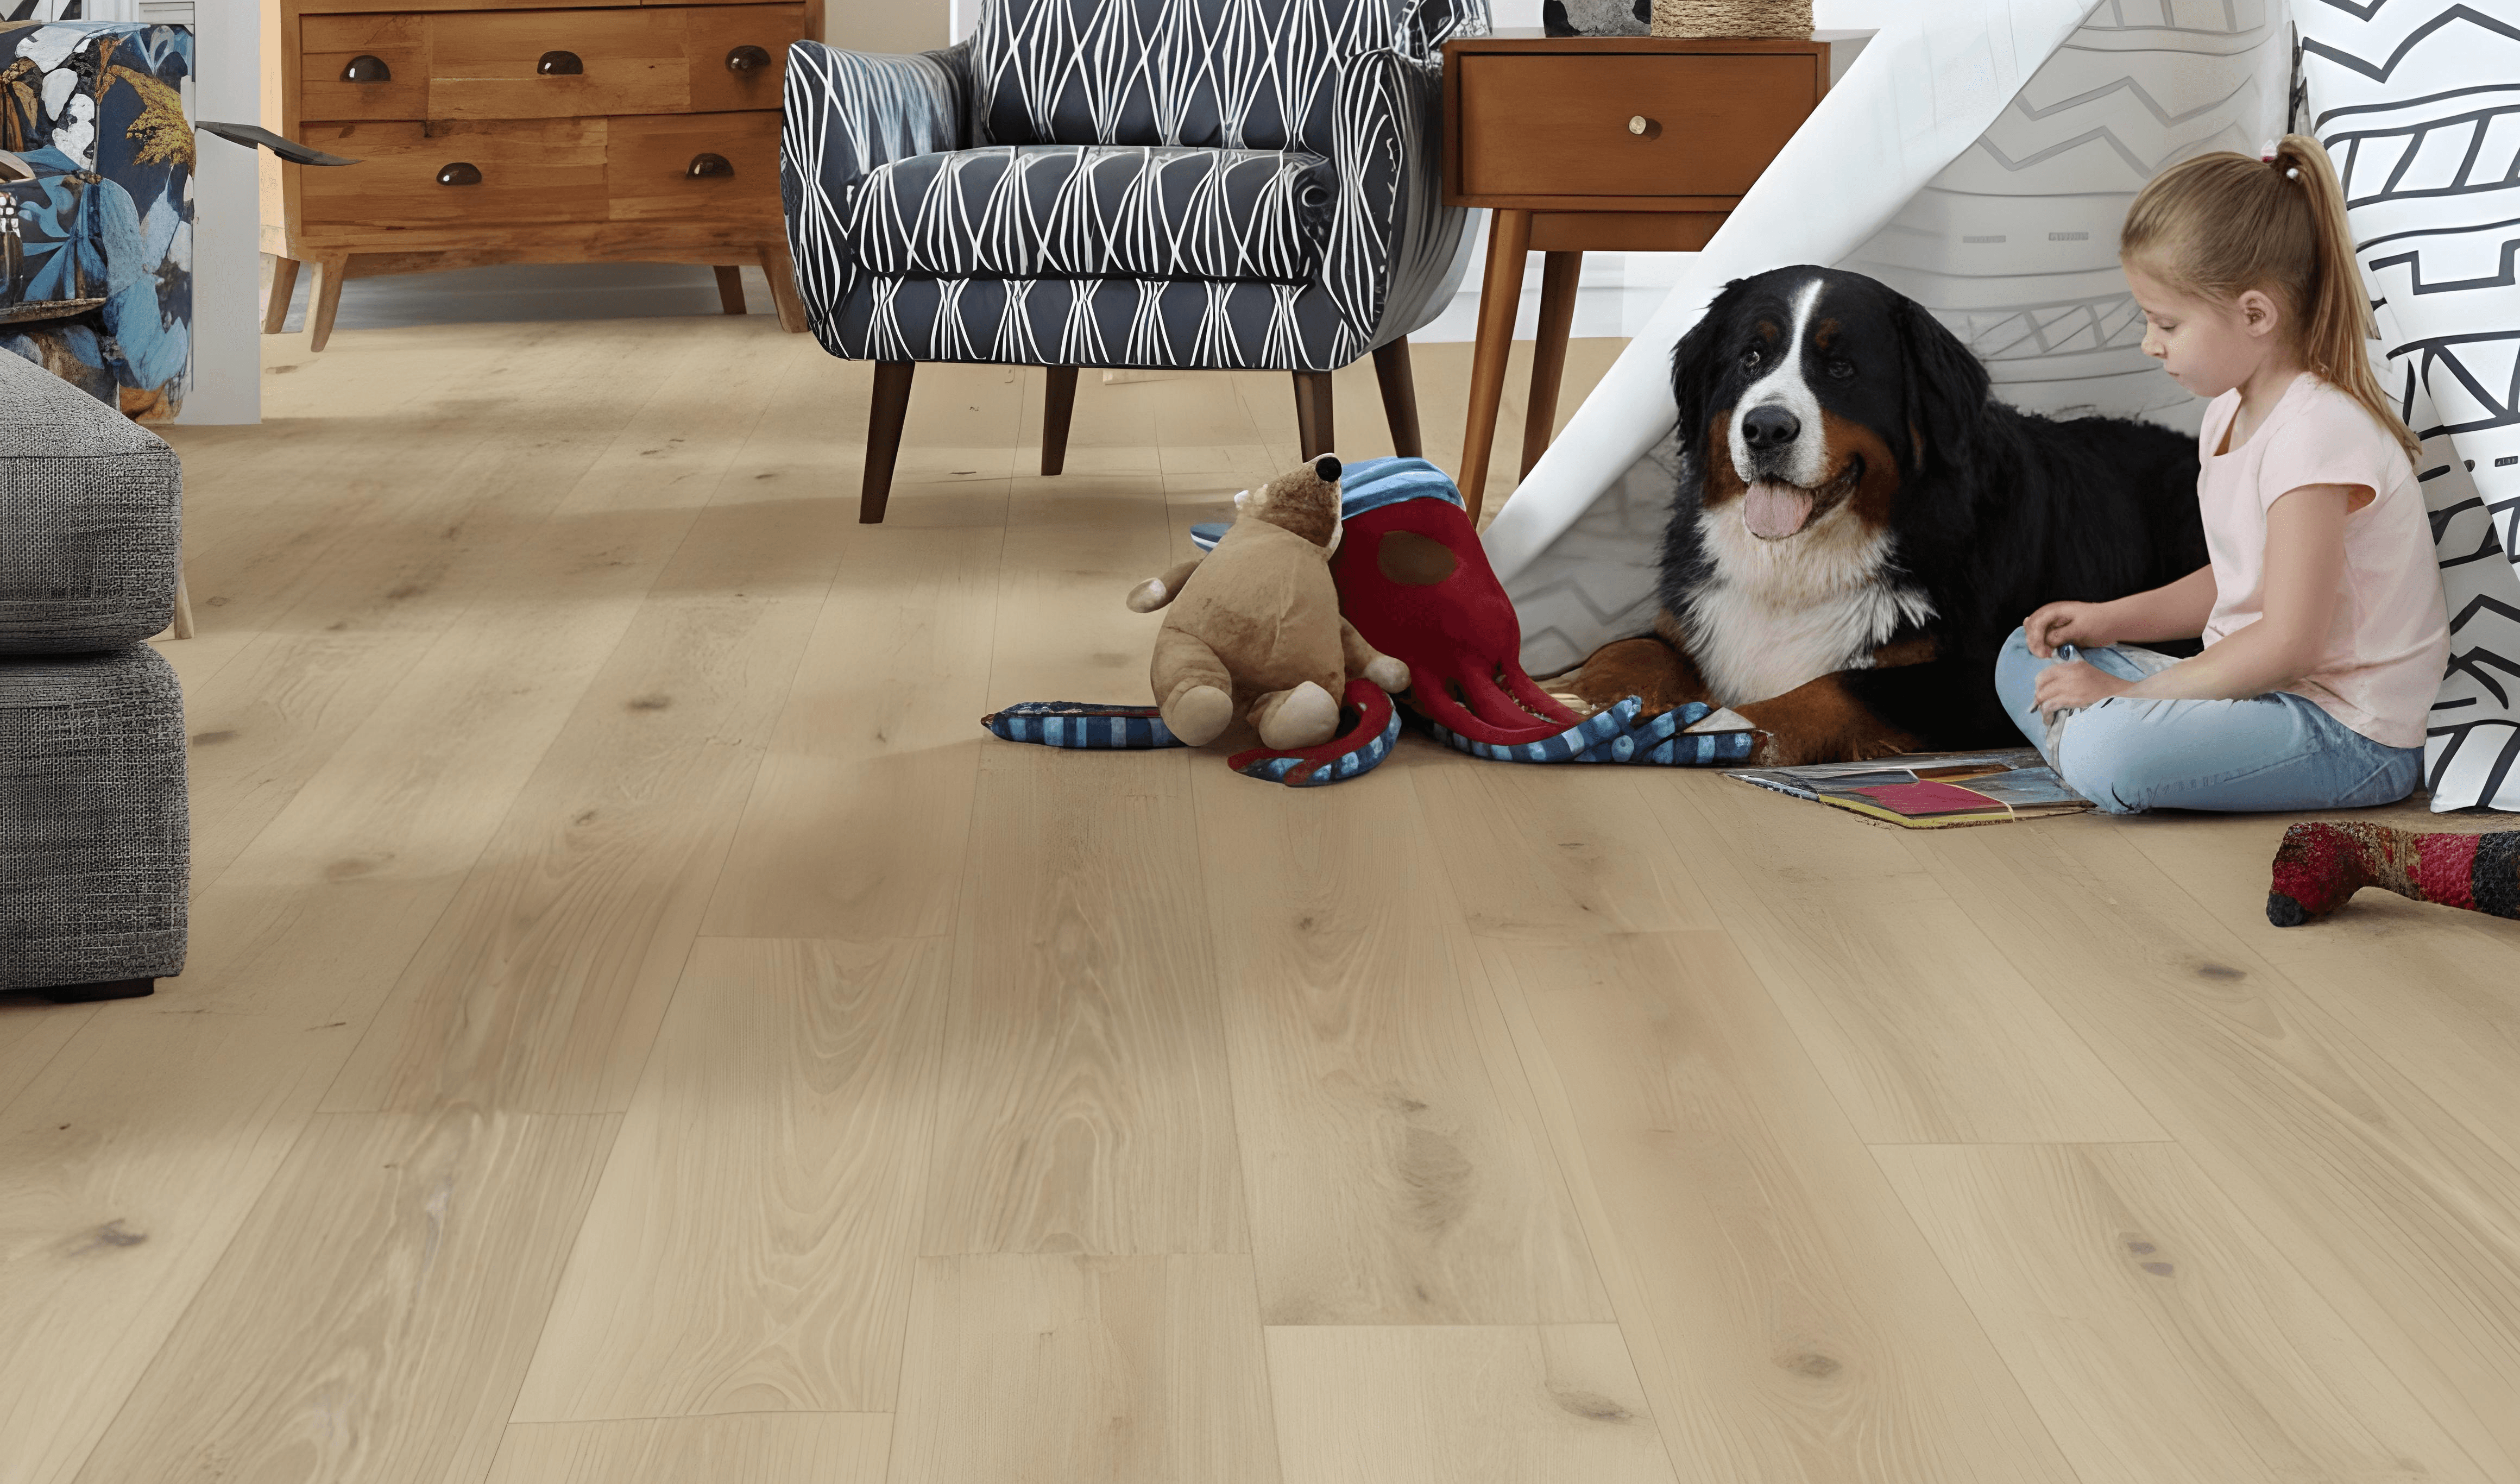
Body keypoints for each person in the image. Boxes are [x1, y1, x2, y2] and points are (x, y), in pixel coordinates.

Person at [1993, 134, 2449, 814]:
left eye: (2165, 323)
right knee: (2018, 652)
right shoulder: (2227, 412)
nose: (2149, 343)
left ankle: (2097, 750)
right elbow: (2237, 581)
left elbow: (2288, 643)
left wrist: (2124, 694)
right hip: (2259, 691)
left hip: (2345, 733)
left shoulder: (2316, 434)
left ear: (2255, 314)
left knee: (2111, 749)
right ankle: (2100, 741)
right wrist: (2102, 619)